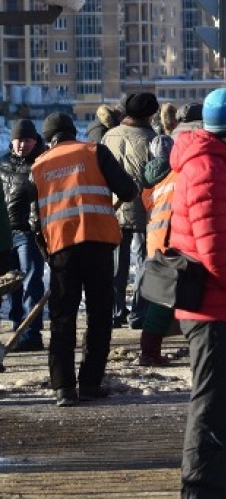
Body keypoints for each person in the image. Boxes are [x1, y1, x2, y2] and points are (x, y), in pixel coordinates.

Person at [169, 88, 226, 497]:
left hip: (214, 308)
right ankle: (201, 489)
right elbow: (216, 251)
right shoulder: (209, 168)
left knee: (221, 407)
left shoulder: (214, 163)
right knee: (212, 409)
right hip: (214, 310)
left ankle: (213, 485)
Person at [29, 113, 137, 407]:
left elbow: (33, 218)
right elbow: (127, 190)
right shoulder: (94, 151)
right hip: (98, 243)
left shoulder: (38, 166)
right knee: (99, 315)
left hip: (62, 247)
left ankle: (63, 388)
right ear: (72, 132)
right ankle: (90, 383)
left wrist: (47, 250)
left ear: (49, 137)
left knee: (62, 317)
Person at [102, 92, 159, 329]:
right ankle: (139, 313)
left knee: (117, 264)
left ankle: (115, 312)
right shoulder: (151, 138)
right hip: (143, 207)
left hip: (112, 207)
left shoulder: (108, 136)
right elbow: (156, 174)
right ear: (149, 115)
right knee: (144, 262)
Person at [0, 120, 45, 352]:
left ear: (35, 141)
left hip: (28, 233)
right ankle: (18, 326)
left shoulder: (41, 163)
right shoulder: (3, 163)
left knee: (31, 281)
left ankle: (31, 332)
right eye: (19, 141)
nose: (22, 146)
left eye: (27, 141)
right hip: (7, 234)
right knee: (12, 284)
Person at [138, 134, 177, 366]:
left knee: (162, 299)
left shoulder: (150, 184)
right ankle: (150, 352)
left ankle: (149, 350)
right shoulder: (178, 176)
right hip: (174, 241)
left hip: (155, 242)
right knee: (168, 301)